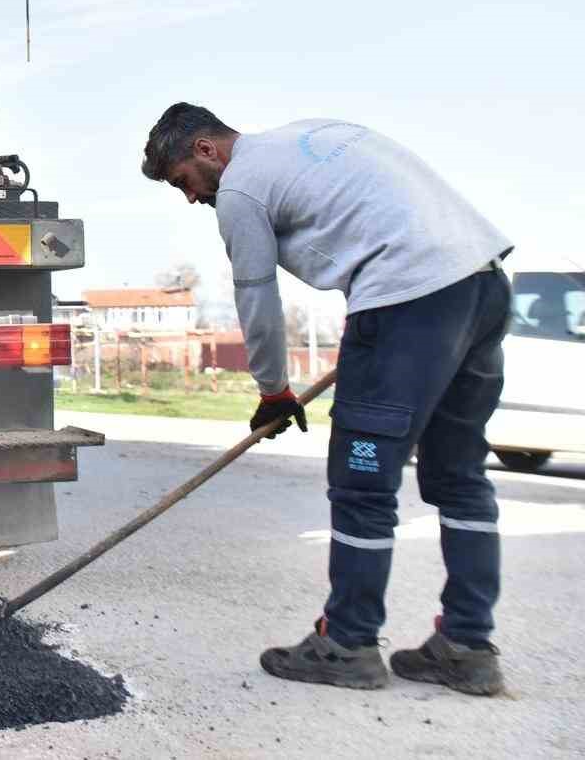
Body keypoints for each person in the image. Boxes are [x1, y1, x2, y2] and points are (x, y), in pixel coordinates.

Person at [141, 104, 512, 695]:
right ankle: (467, 647)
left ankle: (347, 644)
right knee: (461, 476)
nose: (190, 198)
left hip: (406, 299)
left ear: (207, 151)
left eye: (184, 181)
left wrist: (273, 392)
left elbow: (256, 300)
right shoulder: (312, 134)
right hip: (482, 283)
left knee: (362, 482)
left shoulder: (240, 190)